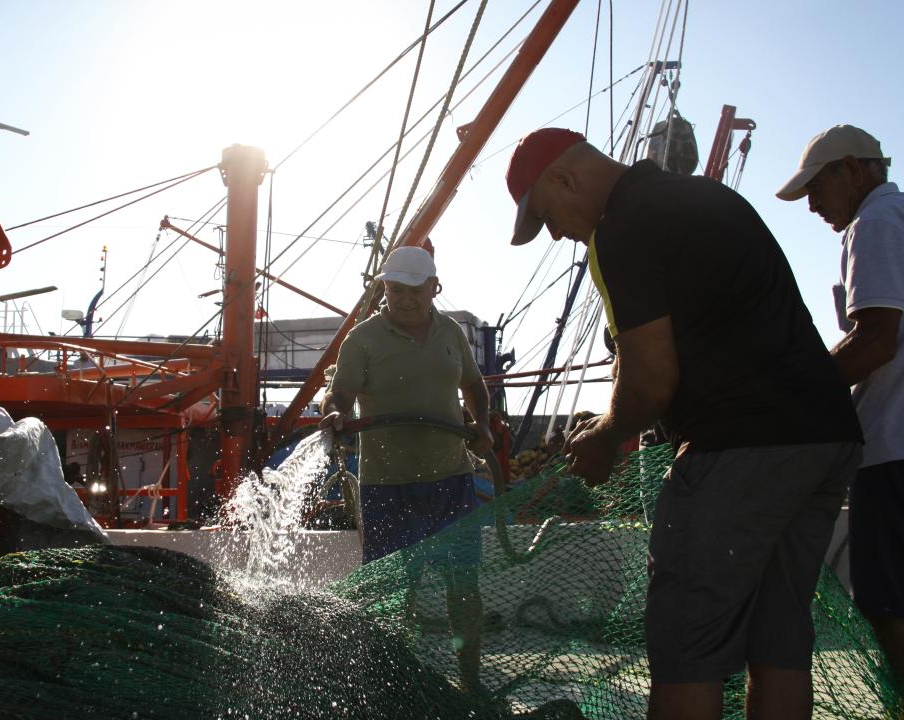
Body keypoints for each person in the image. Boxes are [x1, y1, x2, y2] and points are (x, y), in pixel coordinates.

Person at [506, 127, 863, 720]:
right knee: (779, 638)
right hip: (824, 435)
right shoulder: (706, 197)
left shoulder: (621, 226)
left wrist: (604, 437)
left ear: (563, 179)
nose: (559, 234)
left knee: (687, 648)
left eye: (547, 216)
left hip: (742, 447)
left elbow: (653, 381)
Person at [777, 124, 904, 715]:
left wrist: (796, 393)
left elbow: (875, 340)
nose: (813, 205)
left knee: (893, 614)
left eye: (817, 188)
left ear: (855, 170)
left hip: (903, 449)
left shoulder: (876, 225)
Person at [319, 245, 493, 694]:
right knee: (394, 595)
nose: (405, 299)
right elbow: (337, 396)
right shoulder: (363, 339)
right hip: (388, 488)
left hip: (452, 482)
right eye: (395, 289)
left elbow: (474, 386)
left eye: (415, 290)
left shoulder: (452, 332)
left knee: (464, 589)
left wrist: (483, 426)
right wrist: (334, 414)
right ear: (384, 289)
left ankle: (471, 683)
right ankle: (390, 686)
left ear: (434, 288)